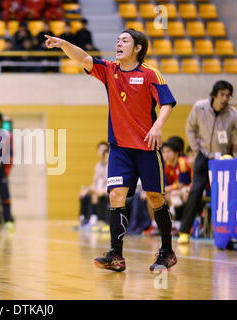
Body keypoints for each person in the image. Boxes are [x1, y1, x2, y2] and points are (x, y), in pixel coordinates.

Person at [45, 28, 177, 272]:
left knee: (155, 198)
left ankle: (167, 251)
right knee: (116, 196)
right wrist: (64, 44)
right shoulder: (109, 70)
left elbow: (167, 102)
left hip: (147, 147)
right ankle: (116, 255)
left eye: (124, 40)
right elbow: (84, 59)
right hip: (119, 149)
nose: (118, 43)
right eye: (117, 40)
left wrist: (158, 125)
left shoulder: (150, 74)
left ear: (137, 48)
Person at [178, 80, 236, 244]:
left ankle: (228, 231)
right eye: (222, 95)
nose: (225, 98)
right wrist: (196, 149)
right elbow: (190, 127)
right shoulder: (199, 107)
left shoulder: (233, 114)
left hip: (224, 159)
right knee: (196, 191)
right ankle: (184, 232)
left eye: (228, 95)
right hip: (203, 154)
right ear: (214, 95)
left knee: (226, 195)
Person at [161, 139, 192, 234]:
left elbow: (183, 183)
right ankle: (164, 225)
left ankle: (182, 225)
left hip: (188, 189)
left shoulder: (183, 162)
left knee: (174, 195)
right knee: (160, 196)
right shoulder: (166, 165)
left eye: (169, 152)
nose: (165, 155)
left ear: (176, 153)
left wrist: (168, 189)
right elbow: (166, 184)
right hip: (178, 190)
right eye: (164, 152)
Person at [78, 141, 109, 229]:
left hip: (107, 190)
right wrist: (88, 189)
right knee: (84, 194)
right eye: (100, 150)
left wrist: (99, 191)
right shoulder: (98, 165)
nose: (102, 152)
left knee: (96, 195)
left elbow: (109, 181)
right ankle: (83, 219)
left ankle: (94, 219)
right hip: (98, 189)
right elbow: (96, 182)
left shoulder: (110, 165)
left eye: (104, 150)